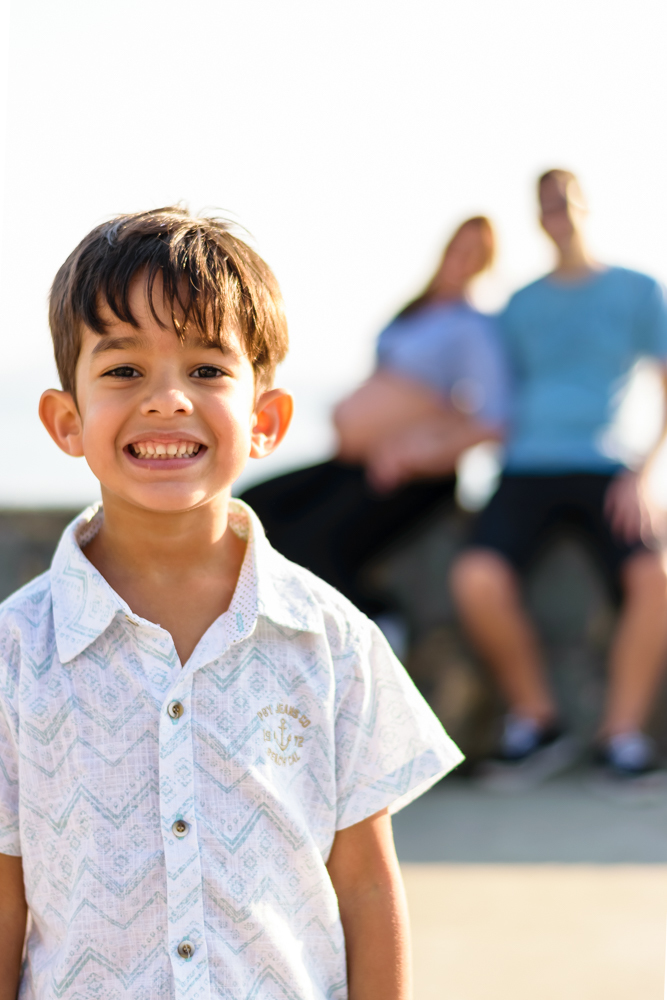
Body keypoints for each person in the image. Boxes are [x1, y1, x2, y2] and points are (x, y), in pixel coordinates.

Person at [0, 208, 463, 1000]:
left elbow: (365, 886)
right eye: (122, 370)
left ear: (266, 421)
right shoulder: (16, 652)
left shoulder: (330, 639)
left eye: (208, 369)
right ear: (66, 421)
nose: (167, 399)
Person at [450, 169, 667, 789]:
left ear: (587, 207)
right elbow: (487, 393)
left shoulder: (638, 290)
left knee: (653, 576)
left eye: (568, 201)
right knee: (475, 576)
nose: (560, 213)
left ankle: (620, 738)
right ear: (538, 219)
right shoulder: (520, 305)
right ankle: (537, 722)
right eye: (547, 205)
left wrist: (648, 475)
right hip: (524, 468)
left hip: (608, 467)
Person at [242, 217, 509, 624]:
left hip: (409, 473)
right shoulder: (414, 313)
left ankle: (381, 625)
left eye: (477, 254)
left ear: (486, 265)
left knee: (316, 545)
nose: (463, 259)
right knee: (253, 509)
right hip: (355, 460)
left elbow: (491, 420)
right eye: (460, 247)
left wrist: (416, 451)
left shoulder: (474, 327)